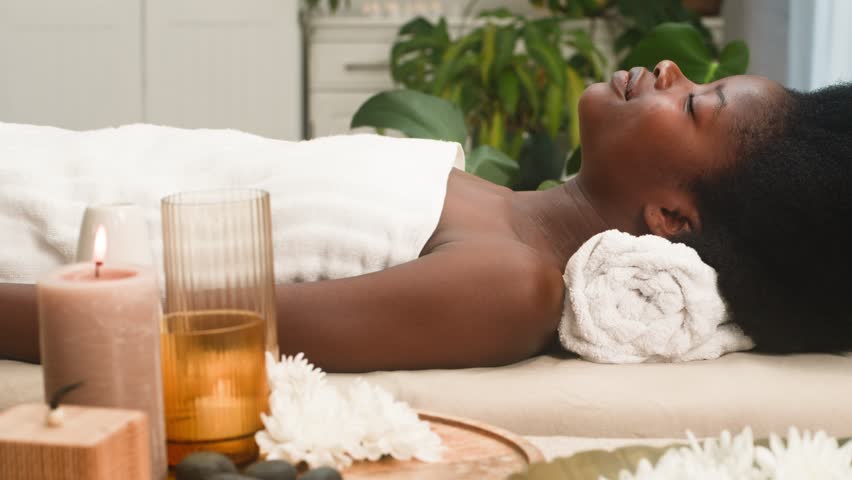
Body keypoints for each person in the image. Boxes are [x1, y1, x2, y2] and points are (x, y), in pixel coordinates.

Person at [2, 60, 850, 371]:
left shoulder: (510, 284)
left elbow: (203, 329)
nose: (669, 70)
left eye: (697, 103)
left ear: (671, 215)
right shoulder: (488, 202)